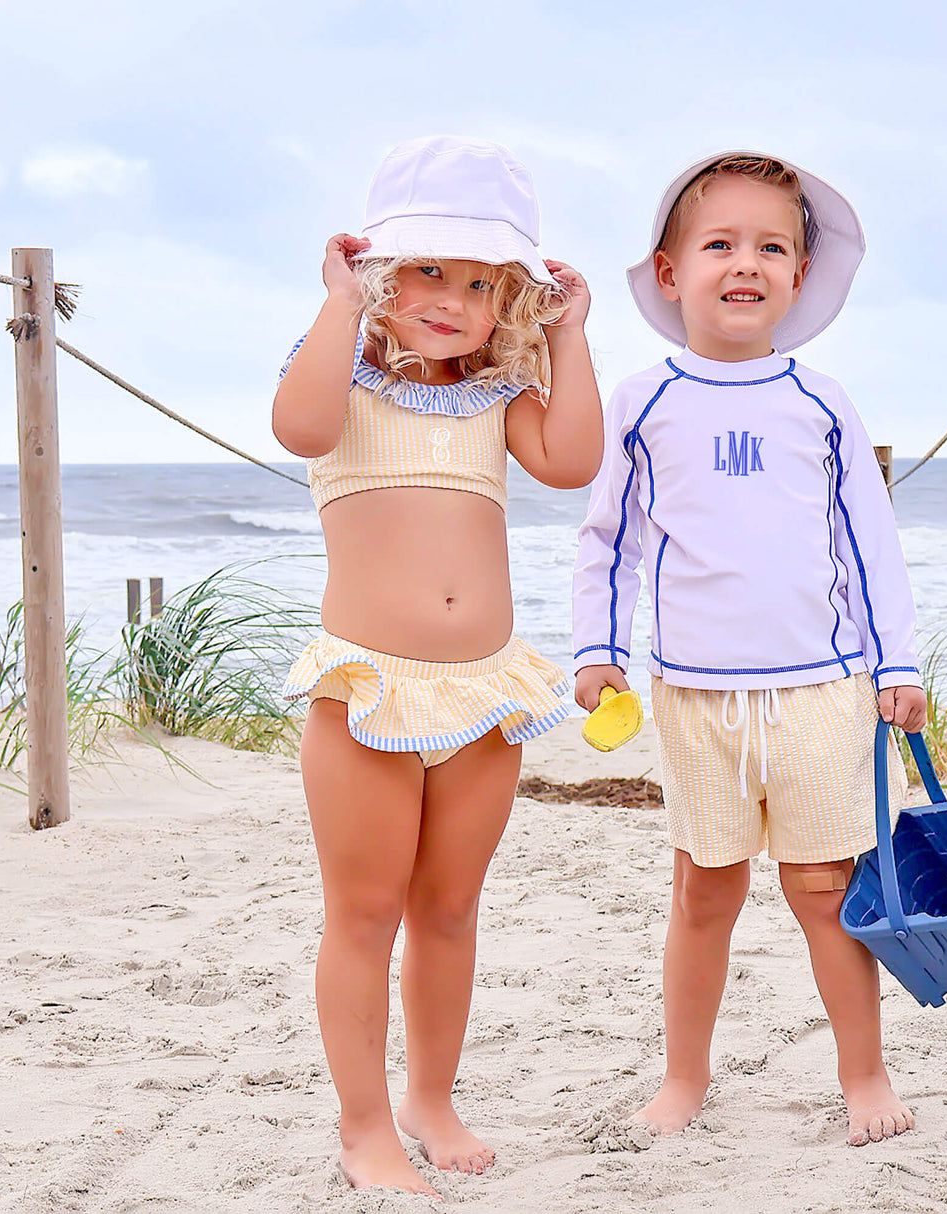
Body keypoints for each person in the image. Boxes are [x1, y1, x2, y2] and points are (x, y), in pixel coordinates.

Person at [571, 151, 927, 1147]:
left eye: (770, 246)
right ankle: (683, 1074)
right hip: (693, 697)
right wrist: (596, 647)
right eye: (719, 242)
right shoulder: (642, 400)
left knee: (823, 891)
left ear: (799, 276)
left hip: (820, 690)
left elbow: (869, 542)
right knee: (702, 889)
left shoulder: (819, 402)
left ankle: (862, 1072)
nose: (746, 262)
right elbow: (610, 537)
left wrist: (893, 665)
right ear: (669, 269)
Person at [273, 135, 601, 1196]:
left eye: (477, 280)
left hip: (483, 689)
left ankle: (433, 1095)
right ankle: (364, 1123)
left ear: (504, 294)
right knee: (363, 912)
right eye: (427, 270)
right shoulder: (342, 375)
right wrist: (334, 305)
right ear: (378, 269)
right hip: (368, 686)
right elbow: (298, 423)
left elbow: (573, 460)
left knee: (450, 908)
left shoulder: (498, 393)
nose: (450, 299)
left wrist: (573, 336)